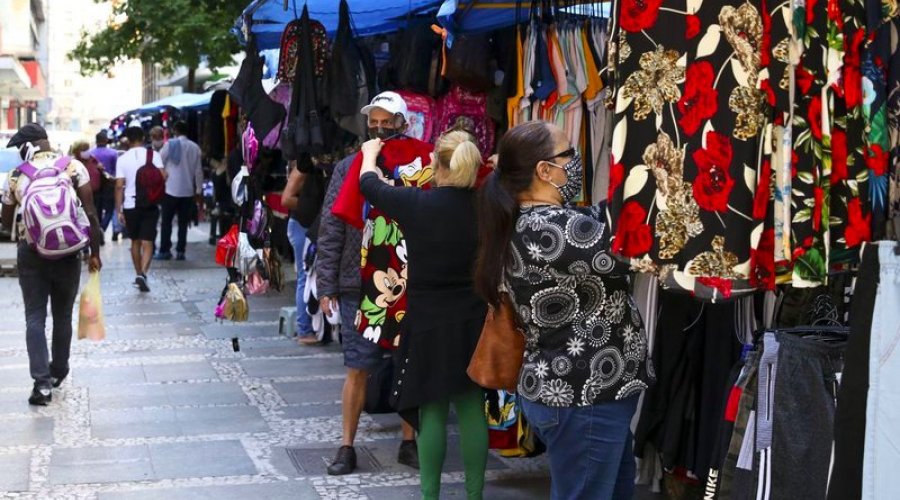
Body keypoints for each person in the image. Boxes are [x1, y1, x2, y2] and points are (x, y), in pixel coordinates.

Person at [474, 121, 653, 500]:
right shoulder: (551, 228)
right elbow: (633, 245)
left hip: (583, 393)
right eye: (568, 154)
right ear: (544, 170)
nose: (575, 162)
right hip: (583, 395)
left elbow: (602, 221)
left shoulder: (537, 221)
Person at [359, 131, 489, 499]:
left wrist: (370, 153)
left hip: (428, 321)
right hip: (474, 318)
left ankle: (430, 495)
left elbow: (369, 185)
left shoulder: (418, 203)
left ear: (438, 165)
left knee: (431, 408)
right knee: (470, 406)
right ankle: (474, 496)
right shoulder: (486, 205)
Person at [318, 92, 421, 476]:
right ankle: (347, 445)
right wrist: (326, 283)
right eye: (373, 122)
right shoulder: (349, 167)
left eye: (386, 121)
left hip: (406, 279)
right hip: (355, 283)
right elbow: (331, 226)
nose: (378, 128)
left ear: (402, 123)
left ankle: (410, 441)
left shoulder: (417, 165)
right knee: (357, 366)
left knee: (408, 363)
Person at [0, 123, 103, 406]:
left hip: (32, 253)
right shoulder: (72, 167)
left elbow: (6, 223)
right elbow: (91, 213)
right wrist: (94, 253)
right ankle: (59, 369)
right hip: (69, 253)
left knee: (34, 317)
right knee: (62, 315)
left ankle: (41, 385)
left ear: (27, 146)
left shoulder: (16, 176)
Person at [116, 126, 167, 292]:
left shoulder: (122, 159)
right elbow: (163, 175)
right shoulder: (153, 155)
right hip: (150, 203)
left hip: (131, 205)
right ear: (143, 138)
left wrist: (119, 210)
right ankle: (143, 273)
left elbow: (118, 186)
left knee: (135, 241)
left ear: (128, 140)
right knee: (148, 241)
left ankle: (138, 273)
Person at [281, 160, 318, 345]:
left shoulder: (313, 167)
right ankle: (304, 330)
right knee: (305, 275)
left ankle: (311, 327)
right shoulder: (301, 168)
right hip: (301, 226)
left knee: (310, 276)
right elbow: (286, 199)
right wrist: (314, 206)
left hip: (306, 225)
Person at [156, 121, 203, 261]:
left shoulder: (169, 145)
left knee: (166, 222)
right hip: (188, 191)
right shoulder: (195, 148)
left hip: (170, 189)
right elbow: (198, 171)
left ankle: (164, 250)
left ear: (175, 130)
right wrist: (199, 190)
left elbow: (159, 161)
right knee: (183, 223)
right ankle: (181, 251)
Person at [89, 130, 122, 242]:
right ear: (106, 140)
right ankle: (102, 228)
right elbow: (116, 170)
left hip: (95, 186)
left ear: (96, 141)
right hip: (110, 184)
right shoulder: (113, 153)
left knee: (97, 210)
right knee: (109, 209)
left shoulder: (91, 153)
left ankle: (99, 231)